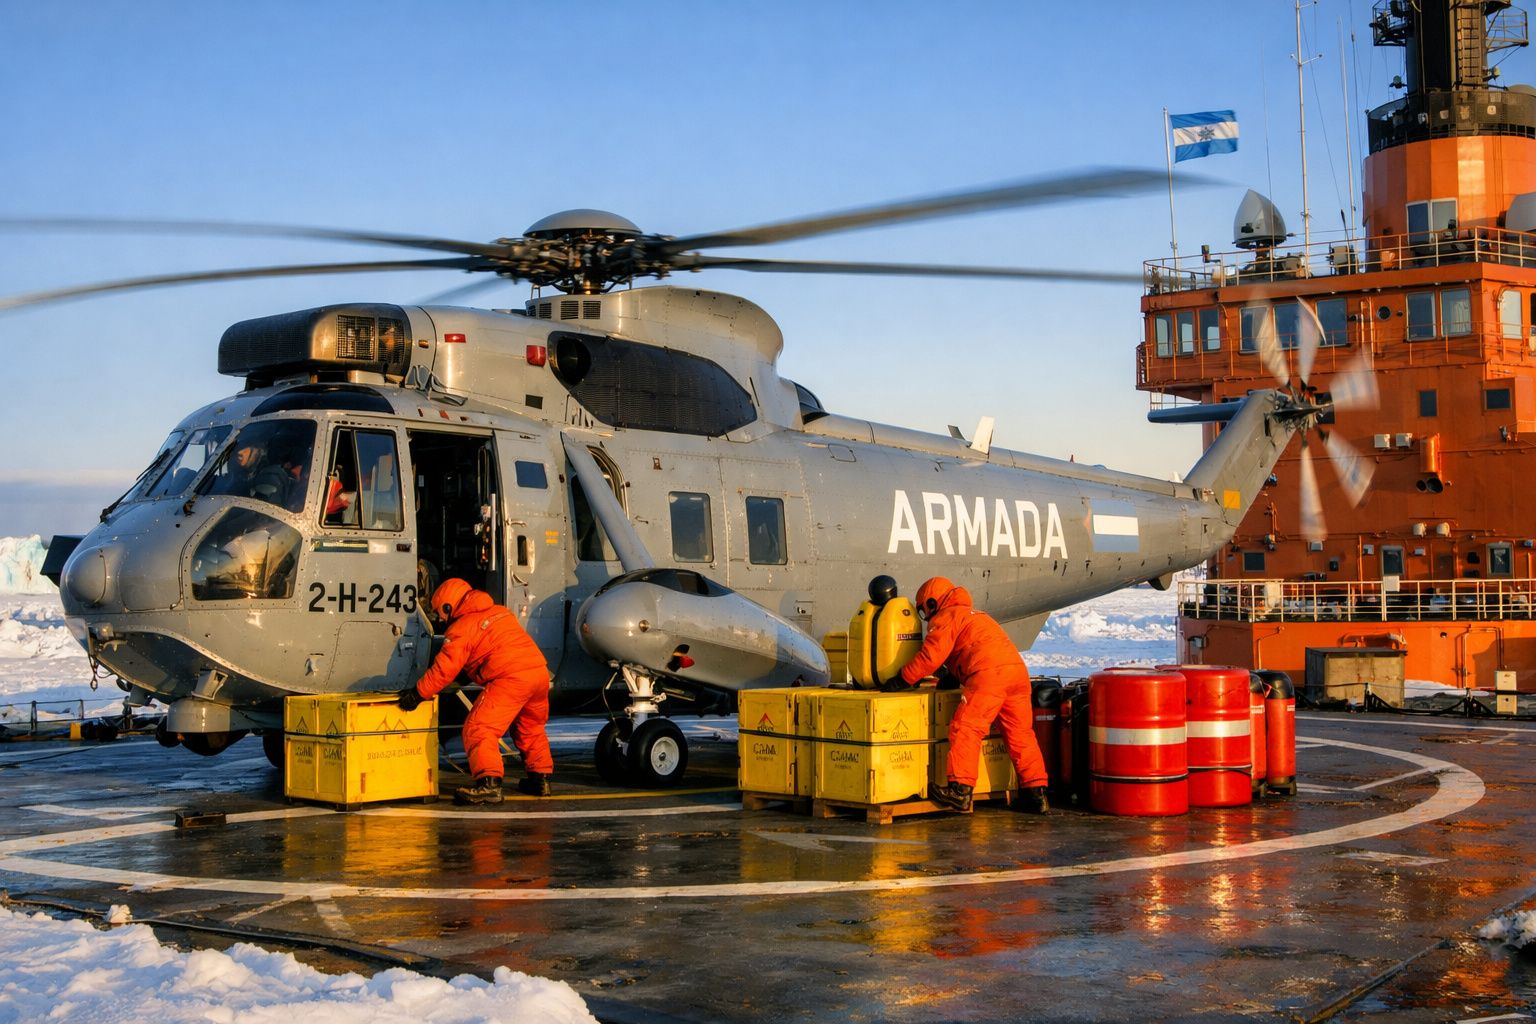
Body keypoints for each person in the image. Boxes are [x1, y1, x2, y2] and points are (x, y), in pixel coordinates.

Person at [892, 576, 1050, 815]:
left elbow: (931, 657)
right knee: (1020, 735)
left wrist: (901, 680)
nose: (927, 619)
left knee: (966, 727)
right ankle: (1035, 794)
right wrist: (952, 678)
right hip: (1017, 675)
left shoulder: (946, 617)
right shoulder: (977, 615)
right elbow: (971, 647)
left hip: (989, 676)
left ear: (933, 603)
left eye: (924, 611)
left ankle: (960, 790)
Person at [397, 578, 554, 805]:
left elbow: (444, 669)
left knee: (479, 728)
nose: (440, 618)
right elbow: (491, 648)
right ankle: (540, 780)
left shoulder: (461, 627)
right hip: (538, 674)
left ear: (449, 606)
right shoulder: (500, 612)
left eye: (440, 612)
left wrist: (418, 694)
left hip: (510, 679)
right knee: (530, 728)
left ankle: (489, 785)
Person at [231, 441, 291, 506]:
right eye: (235, 451)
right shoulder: (238, 481)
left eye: (243, 446)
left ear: (255, 448)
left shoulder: (271, 475)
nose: (239, 452)